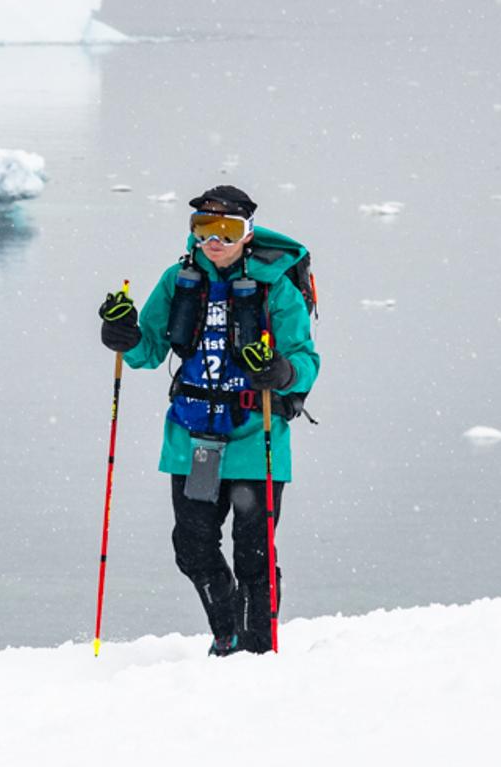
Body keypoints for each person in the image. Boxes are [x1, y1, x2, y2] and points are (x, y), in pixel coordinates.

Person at [97, 185, 320, 655]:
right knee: (193, 547)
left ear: (248, 233)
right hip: (190, 436)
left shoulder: (274, 286)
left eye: (227, 229)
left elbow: (305, 361)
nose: (214, 240)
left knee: (253, 554)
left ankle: (256, 648)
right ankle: (229, 633)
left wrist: (280, 371)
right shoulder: (178, 281)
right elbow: (148, 352)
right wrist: (123, 334)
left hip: (254, 435)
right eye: (203, 228)